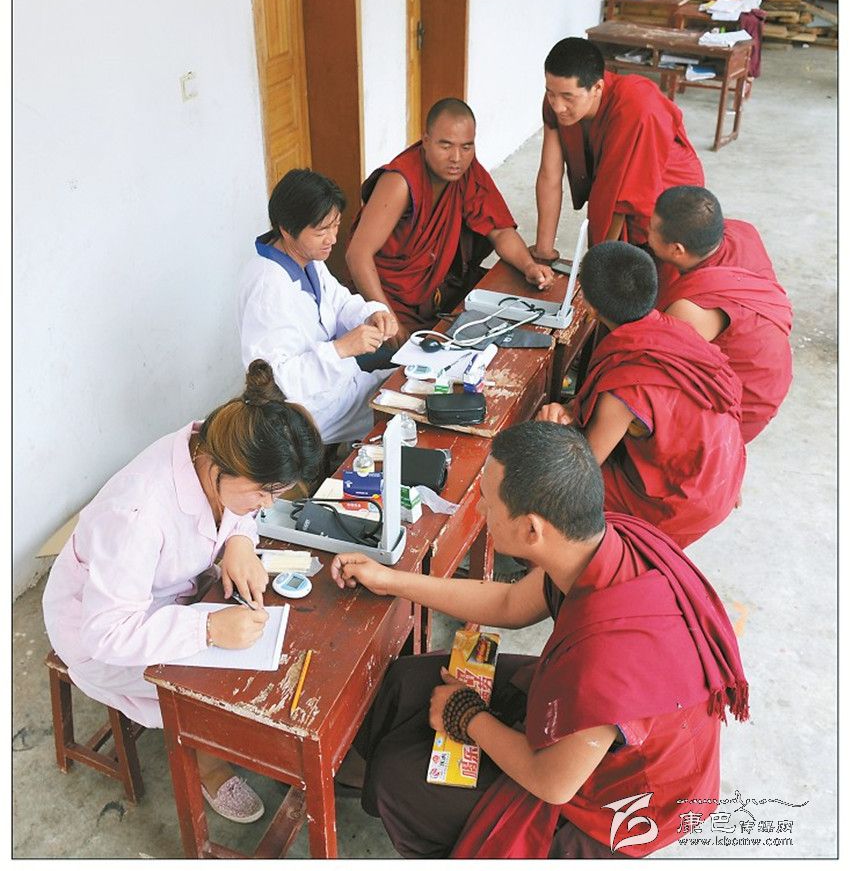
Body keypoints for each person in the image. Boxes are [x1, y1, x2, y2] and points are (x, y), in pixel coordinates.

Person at [329, 422, 748, 858]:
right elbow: (510, 602)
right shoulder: (595, 542)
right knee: (408, 680)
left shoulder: (610, 661)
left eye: (489, 503)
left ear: (532, 529)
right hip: (589, 720)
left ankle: (391, 786)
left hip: (619, 799)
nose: (481, 510)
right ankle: (361, 770)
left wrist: (468, 717)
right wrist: (391, 581)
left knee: (399, 779)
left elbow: (553, 783)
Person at [42, 360, 324, 824]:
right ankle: (208, 762)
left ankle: (226, 731)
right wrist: (208, 628)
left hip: (169, 592)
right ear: (224, 467)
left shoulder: (212, 448)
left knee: (265, 647)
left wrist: (239, 540)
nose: (267, 505)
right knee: (219, 682)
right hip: (100, 630)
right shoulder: (137, 514)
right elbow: (107, 633)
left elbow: (238, 509)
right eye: (264, 493)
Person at [538, 241, 745, 548]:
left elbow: (585, 467)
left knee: (552, 490)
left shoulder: (624, 387)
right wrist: (571, 407)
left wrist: (551, 431)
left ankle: (552, 566)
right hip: (723, 469)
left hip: (685, 500)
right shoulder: (678, 330)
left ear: (591, 309)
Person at [346, 97, 554, 345]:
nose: (456, 158)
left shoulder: (468, 173)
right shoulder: (400, 182)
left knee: (513, 312)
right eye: (445, 146)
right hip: (388, 302)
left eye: (466, 147)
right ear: (426, 141)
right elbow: (358, 255)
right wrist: (388, 320)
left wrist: (529, 266)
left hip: (437, 292)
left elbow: (499, 231)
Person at [239, 168, 398, 445]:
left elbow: (340, 302)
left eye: (335, 225)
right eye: (322, 230)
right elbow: (277, 381)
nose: (333, 239)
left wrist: (372, 314)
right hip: (308, 414)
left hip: (336, 386)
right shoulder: (268, 288)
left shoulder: (308, 258)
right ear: (287, 230)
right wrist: (342, 349)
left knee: (411, 382)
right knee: (405, 410)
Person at [533, 37, 705, 255]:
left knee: (639, 263)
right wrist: (543, 251)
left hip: (668, 196)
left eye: (568, 96)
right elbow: (549, 175)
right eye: (550, 92)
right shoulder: (557, 101)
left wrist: (600, 263)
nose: (558, 106)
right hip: (616, 191)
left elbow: (620, 199)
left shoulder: (636, 105)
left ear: (597, 87)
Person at [649, 186, 793, 443]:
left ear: (677, 250)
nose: (646, 232)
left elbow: (653, 370)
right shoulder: (743, 232)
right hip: (773, 375)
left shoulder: (690, 311)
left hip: (741, 408)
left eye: (651, 229)